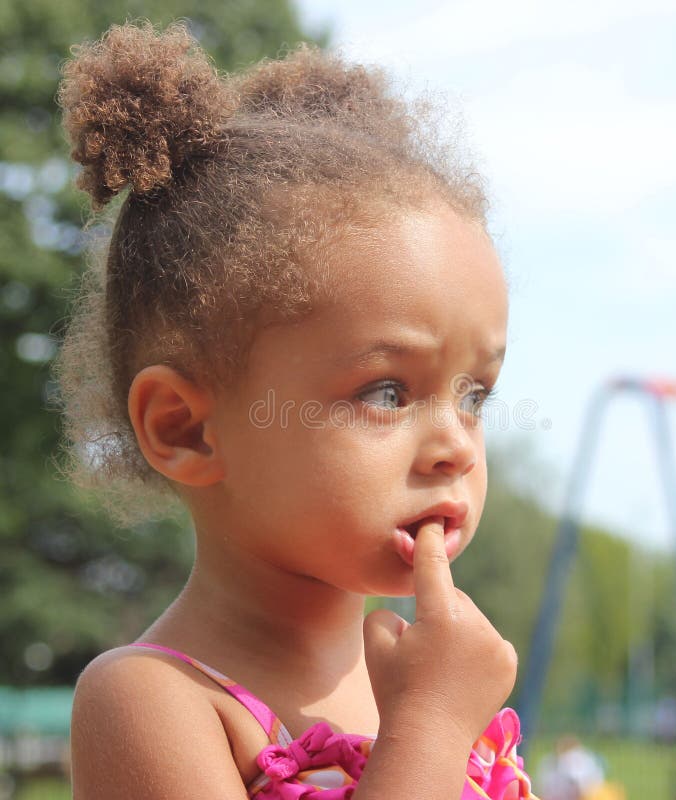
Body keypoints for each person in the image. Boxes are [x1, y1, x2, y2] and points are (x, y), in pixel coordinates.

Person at [56, 20, 535, 800]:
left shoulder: (428, 683)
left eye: (474, 395)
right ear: (185, 428)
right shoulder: (150, 703)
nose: (456, 445)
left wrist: (437, 715)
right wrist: (429, 733)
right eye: (387, 392)